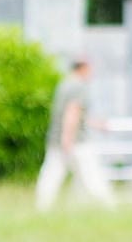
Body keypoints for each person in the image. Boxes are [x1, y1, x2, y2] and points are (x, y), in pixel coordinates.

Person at [36, 57, 115, 211]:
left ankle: (42, 208)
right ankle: (108, 207)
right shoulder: (78, 86)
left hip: (58, 139)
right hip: (77, 142)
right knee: (92, 175)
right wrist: (67, 139)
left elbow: (78, 116)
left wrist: (97, 124)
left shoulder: (64, 85)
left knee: (51, 176)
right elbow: (72, 112)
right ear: (83, 68)